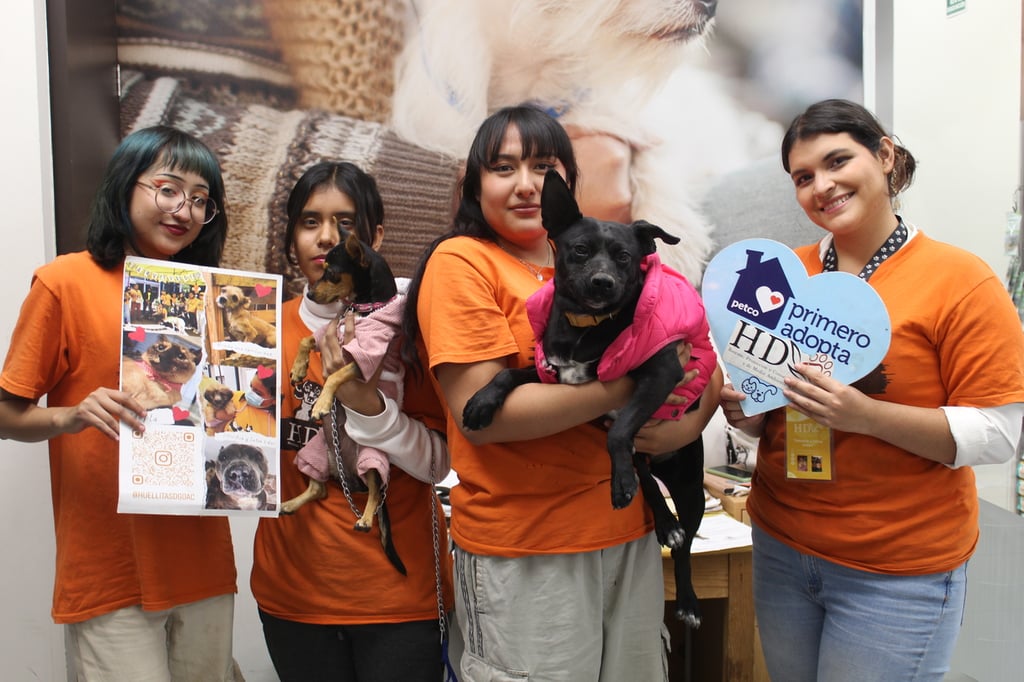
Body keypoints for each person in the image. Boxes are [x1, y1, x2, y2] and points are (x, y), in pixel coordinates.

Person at [402, 104, 723, 680]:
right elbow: (487, 416)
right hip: (529, 549)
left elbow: (695, 354)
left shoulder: (602, 259)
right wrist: (634, 383)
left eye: (543, 166)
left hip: (629, 531)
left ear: (565, 185)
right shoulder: (463, 262)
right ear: (473, 183)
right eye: (503, 167)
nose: (525, 184)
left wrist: (682, 425)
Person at [719, 98, 1024, 682]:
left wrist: (866, 415)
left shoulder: (961, 281)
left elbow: (996, 435)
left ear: (885, 155)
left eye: (838, 161)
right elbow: (772, 412)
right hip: (782, 546)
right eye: (803, 178)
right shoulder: (784, 276)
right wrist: (748, 411)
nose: (822, 186)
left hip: (897, 571)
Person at [0, 126, 239, 680]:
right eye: (169, 188)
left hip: (202, 561)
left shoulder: (216, 296)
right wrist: (72, 414)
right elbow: (7, 412)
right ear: (125, 186)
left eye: (201, 200)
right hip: (109, 567)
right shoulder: (65, 282)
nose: (184, 209)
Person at [250, 161, 454, 682]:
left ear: (374, 238)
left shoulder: (412, 330)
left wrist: (369, 405)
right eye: (308, 221)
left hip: (401, 595)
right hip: (291, 590)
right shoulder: (255, 327)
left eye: (344, 224)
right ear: (290, 235)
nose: (325, 239)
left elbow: (438, 463)